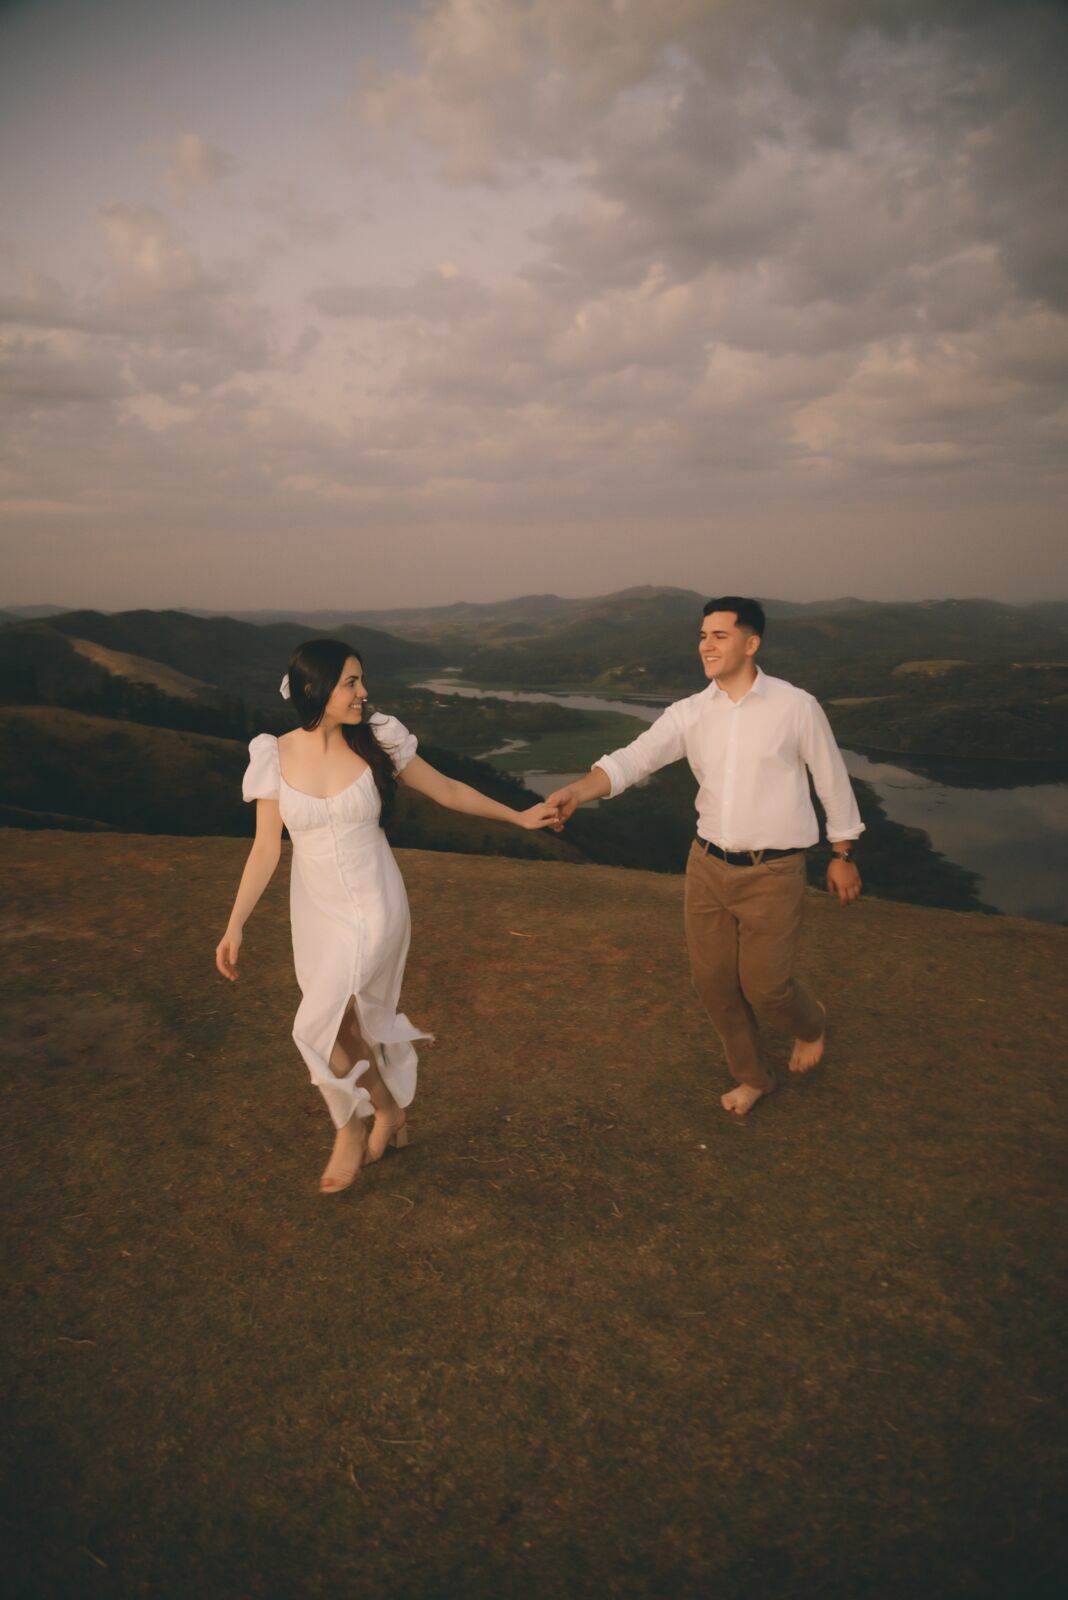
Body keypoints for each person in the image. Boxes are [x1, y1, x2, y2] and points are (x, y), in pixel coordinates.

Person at [216, 638, 559, 1193]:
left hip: (376, 900)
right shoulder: (272, 755)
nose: (363, 692)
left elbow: (446, 789)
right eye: (351, 682)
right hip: (316, 907)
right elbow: (265, 849)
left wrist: (518, 817)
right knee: (343, 1024)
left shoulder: (379, 739)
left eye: (360, 680)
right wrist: (234, 925)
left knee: (315, 1023)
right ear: (314, 688)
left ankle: (349, 1128)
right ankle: (389, 1110)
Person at [547, 596, 864, 1117]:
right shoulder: (690, 713)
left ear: (751, 643)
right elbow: (632, 759)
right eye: (702, 636)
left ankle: (812, 1024)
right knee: (715, 986)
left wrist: (843, 851)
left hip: (775, 870)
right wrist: (576, 793)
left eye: (719, 635)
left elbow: (831, 779)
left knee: (766, 988)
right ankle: (754, 1078)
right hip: (708, 866)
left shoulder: (795, 706)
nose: (706, 646)